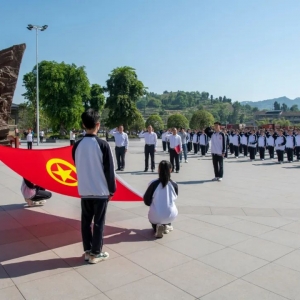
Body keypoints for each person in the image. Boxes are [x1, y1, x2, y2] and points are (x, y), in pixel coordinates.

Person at [72, 109, 116, 264]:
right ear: (98, 124)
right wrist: (112, 190)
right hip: (100, 191)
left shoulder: (77, 145)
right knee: (98, 223)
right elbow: (109, 170)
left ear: (83, 124)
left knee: (85, 222)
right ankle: (96, 253)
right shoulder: (103, 145)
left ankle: (87, 250)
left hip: (84, 190)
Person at [143, 160, 178, 238]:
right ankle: (166, 226)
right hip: (170, 215)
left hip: (156, 215)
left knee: (155, 220)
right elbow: (175, 198)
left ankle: (156, 227)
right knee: (167, 216)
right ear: (171, 170)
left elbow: (147, 201)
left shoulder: (153, 183)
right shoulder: (174, 184)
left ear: (158, 170)